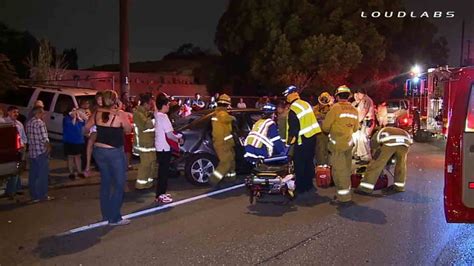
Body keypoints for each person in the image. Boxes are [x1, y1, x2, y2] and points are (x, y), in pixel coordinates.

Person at [85, 90, 132, 226]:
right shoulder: (120, 114)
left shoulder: (97, 113)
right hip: (114, 152)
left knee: (105, 182)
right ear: (115, 101)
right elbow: (128, 130)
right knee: (119, 184)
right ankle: (114, 218)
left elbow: (86, 128)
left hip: (98, 151)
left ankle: (106, 214)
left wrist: (93, 135)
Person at [322, 85, 359, 204]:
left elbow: (326, 127)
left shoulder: (335, 108)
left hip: (337, 145)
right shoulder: (354, 109)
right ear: (348, 96)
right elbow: (356, 128)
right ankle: (345, 193)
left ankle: (344, 198)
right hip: (348, 144)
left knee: (339, 171)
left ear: (337, 96)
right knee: (346, 170)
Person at [283, 85, 321, 197]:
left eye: (286, 96)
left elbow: (293, 129)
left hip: (302, 139)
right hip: (312, 137)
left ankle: (301, 187)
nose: (286, 98)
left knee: (300, 164)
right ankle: (309, 185)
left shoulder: (293, 109)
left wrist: (288, 144)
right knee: (309, 162)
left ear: (290, 95)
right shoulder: (305, 104)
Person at [355, 126, 413, 195]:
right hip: (406, 143)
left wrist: (376, 159)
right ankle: (399, 187)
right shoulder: (391, 129)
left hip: (390, 142)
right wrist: (390, 159)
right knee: (401, 165)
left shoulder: (378, 133)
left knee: (376, 164)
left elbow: (374, 147)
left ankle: (365, 188)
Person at [153, 94, 183, 203]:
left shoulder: (156, 114)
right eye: (168, 104)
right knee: (163, 173)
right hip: (165, 148)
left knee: (162, 171)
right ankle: (160, 194)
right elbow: (170, 135)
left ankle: (161, 193)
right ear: (164, 105)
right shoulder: (163, 117)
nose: (169, 106)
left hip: (159, 147)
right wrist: (179, 139)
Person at [26, 107, 53, 203]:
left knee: (33, 175)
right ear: (38, 113)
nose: (44, 115)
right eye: (43, 113)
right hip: (41, 151)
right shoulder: (40, 123)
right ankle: (42, 195)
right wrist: (49, 148)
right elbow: (44, 138)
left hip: (33, 152)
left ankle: (34, 195)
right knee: (42, 175)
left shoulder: (29, 123)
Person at [209, 94, 236, 186]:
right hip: (222, 144)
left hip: (226, 143)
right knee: (226, 162)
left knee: (231, 160)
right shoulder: (222, 114)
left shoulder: (216, 113)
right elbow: (225, 118)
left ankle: (230, 177)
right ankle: (213, 180)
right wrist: (232, 118)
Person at [133, 93, 157, 190]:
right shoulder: (138, 113)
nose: (151, 106)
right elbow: (146, 125)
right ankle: (141, 185)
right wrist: (154, 119)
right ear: (145, 104)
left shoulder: (145, 113)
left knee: (152, 164)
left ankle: (148, 183)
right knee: (145, 165)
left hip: (150, 143)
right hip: (143, 144)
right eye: (150, 104)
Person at [4, 106, 27, 199]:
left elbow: (23, 137)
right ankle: (11, 190)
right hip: (10, 150)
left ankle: (17, 188)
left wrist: (24, 145)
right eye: (14, 112)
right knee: (13, 170)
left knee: (18, 169)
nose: (16, 114)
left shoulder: (19, 124)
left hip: (19, 149)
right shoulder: (4, 122)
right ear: (8, 112)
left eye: (17, 112)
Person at [352, 88, 375, 163]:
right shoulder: (361, 101)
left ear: (361, 93)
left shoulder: (366, 100)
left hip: (366, 123)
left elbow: (363, 112)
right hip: (362, 123)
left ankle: (366, 157)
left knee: (363, 140)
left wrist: (357, 122)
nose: (357, 96)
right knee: (359, 139)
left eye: (358, 94)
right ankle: (360, 155)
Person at [63, 106, 86, 180]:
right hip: (69, 141)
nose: (75, 112)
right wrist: (74, 117)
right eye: (73, 110)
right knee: (70, 157)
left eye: (76, 110)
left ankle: (79, 172)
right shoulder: (66, 119)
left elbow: (84, 123)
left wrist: (80, 116)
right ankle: (71, 173)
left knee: (78, 157)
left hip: (79, 141)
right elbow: (71, 124)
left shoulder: (79, 119)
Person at [84, 92, 103, 177]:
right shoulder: (95, 109)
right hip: (95, 129)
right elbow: (89, 124)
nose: (100, 101)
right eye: (98, 99)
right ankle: (88, 166)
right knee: (90, 143)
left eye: (101, 99)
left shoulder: (107, 108)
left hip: (103, 129)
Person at [313, 92, 334, 166]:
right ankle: (320, 166)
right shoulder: (315, 109)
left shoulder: (331, 109)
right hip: (318, 133)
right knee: (319, 150)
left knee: (326, 150)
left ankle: (325, 167)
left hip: (327, 133)